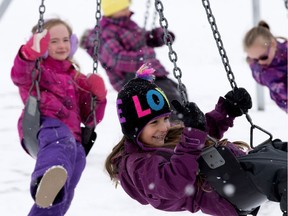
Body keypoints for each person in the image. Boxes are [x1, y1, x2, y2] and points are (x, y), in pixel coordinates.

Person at [105, 63, 287, 216]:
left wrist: (227, 111)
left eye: (166, 118)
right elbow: (174, 183)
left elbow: (202, 133)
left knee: (281, 149)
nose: (164, 127)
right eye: (154, 123)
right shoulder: (136, 166)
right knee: (284, 176)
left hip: (235, 170)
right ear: (133, 129)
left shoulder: (162, 139)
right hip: (228, 188)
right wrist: (192, 136)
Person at [11, 18, 107, 215]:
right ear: (42, 46)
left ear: (72, 43)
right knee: (60, 140)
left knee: (74, 165)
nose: (61, 45)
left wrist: (98, 97)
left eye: (65, 40)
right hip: (43, 125)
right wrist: (28, 55)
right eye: (53, 41)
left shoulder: (76, 78)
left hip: (73, 138)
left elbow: (90, 118)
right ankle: (43, 179)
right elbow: (20, 75)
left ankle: (48, 206)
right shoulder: (37, 70)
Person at [80, 0, 185, 119]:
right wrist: (143, 57)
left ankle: (182, 123)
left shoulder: (128, 24)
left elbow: (143, 38)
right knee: (169, 100)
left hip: (150, 72)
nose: (128, 11)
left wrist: (158, 36)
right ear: (113, 11)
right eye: (123, 9)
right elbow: (116, 59)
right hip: (131, 78)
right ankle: (179, 128)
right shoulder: (107, 32)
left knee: (178, 91)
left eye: (127, 7)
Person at [243, 20, 287, 113]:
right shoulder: (263, 73)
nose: (260, 63)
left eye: (263, 57)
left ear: (273, 44)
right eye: (254, 59)